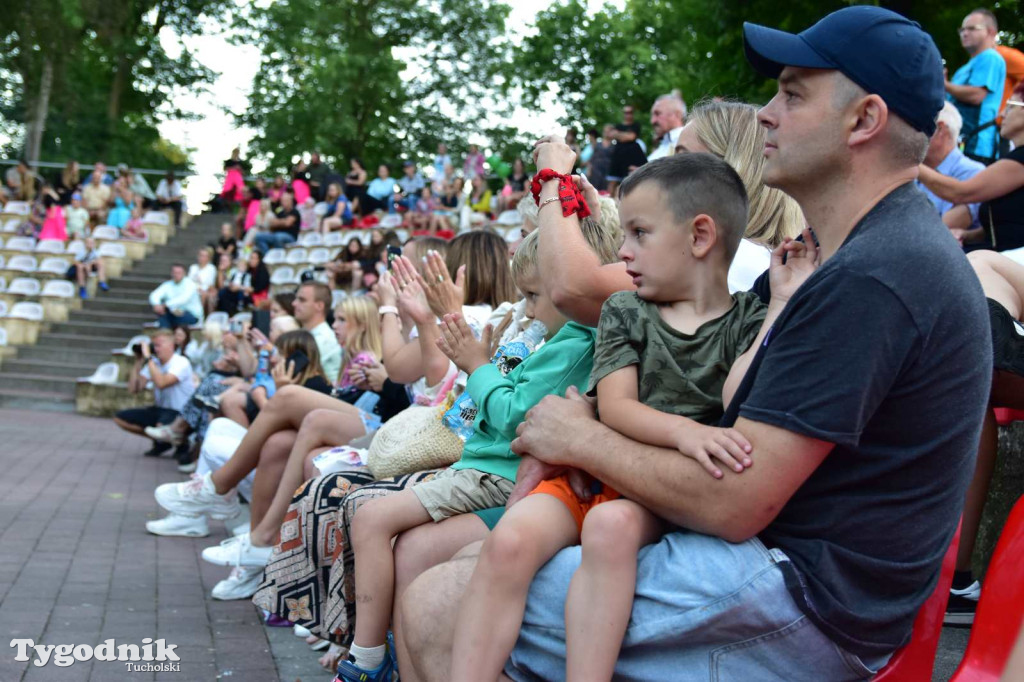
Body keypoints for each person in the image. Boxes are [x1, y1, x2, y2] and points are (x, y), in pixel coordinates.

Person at [399, 7, 991, 681]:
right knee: (472, 564)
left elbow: (735, 502)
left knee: (437, 603)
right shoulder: (848, 254)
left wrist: (580, 440)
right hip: (786, 571)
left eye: (792, 94)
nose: (766, 113)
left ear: (864, 121)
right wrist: (583, 425)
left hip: (802, 601)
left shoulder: (879, 273)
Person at [450, 154, 767, 682]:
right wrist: (689, 432)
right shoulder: (626, 309)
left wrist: (781, 303)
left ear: (700, 236)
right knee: (508, 539)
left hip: (657, 486)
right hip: (600, 467)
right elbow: (617, 407)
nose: (623, 250)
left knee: (610, 525)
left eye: (640, 233)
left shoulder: (747, 320)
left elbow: (739, 393)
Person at [336, 227, 600, 682]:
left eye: (536, 295)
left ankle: (367, 660)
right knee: (391, 534)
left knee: (372, 519)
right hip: (480, 466)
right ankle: (383, 660)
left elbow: (510, 415)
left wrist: (476, 362)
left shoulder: (575, 342)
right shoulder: (550, 338)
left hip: (497, 475)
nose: (529, 308)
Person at [676, 100, 805, 292]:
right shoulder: (778, 265)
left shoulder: (725, 260)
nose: (660, 174)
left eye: (682, 161)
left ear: (733, 171)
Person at [917, 84, 1024, 251]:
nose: (1001, 114)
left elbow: (960, 193)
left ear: (941, 129)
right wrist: (967, 235)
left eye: (1010, 106)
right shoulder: (1014, 159)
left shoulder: (1017, 161)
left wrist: (909, 161)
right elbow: (1004, 226)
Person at [113, 329, 195, 457]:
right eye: (153, 345)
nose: (155, 349)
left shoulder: (181, 362)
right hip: (160, 410)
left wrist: (148, 358)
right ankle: (163, 441)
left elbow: (162, 383)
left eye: (158, 345)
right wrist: (139, 361)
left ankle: (181, 442)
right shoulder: (154, 363)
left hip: (181, 412)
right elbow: (134, 389)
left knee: (160, 426)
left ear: (171, 345)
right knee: (120, 418)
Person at [916, 101, 986, 235]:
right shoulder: (918, 168)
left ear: (940, 129)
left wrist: (909, 161)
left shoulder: (973, 172)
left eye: (916, 126)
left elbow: (940, 229)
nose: (910, 134)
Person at [947, 9, 1006, 163]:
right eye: (962, 29)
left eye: (972, 28)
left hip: (977, 145)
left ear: (991, 32)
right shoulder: (965, 67)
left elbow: (976, 95)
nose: (964, 33)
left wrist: (944, 84)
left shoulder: (990, 57)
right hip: (960, 142)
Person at [293, 281, 343, 384]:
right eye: (296, 299)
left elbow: (295, 370)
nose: (294, 303)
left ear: (319, 306)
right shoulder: (305, 334)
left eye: (302, 300)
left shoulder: (326, 339)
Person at [606, 105, 648, 196]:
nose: (628, 115)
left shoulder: (636, 125)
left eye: (630, 112)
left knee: (630, 181)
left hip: (631, 157)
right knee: (612, 182)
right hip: (618, 156)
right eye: (626, 112)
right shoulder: (619, 125)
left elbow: (631, 137)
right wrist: (625, 135)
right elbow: (611, 135)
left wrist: (619, 135)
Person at [149, 263, 204, 328]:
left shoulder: (190, 284)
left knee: (166, 316)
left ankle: (165, 333)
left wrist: (165, 305)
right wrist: (156, 304)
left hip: (192, 315)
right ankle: (164, 333)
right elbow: (154, 295)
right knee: (164, 314)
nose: (176, 275)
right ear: (171, 273)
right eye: (174, 272)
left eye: (179, 273)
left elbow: (184, 298)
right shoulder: (168, 284)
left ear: (184, 274)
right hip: (173, 314)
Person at [647, 93, 687, 161]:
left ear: (677, 115)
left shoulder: (688, 141)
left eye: (657, 113)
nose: (652, 121)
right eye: (652, 115)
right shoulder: (662, 146)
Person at [189, 248, 218, 313]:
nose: (202, 258)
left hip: (204, 290)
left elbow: (210, 284)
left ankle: (199, 316)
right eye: (201, 255)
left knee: (204, 295)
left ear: (208, 258)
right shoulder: (193, 267)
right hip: (192, 289)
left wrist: (201, 289)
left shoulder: (211, 268)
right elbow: (189, 281)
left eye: (204, 256)